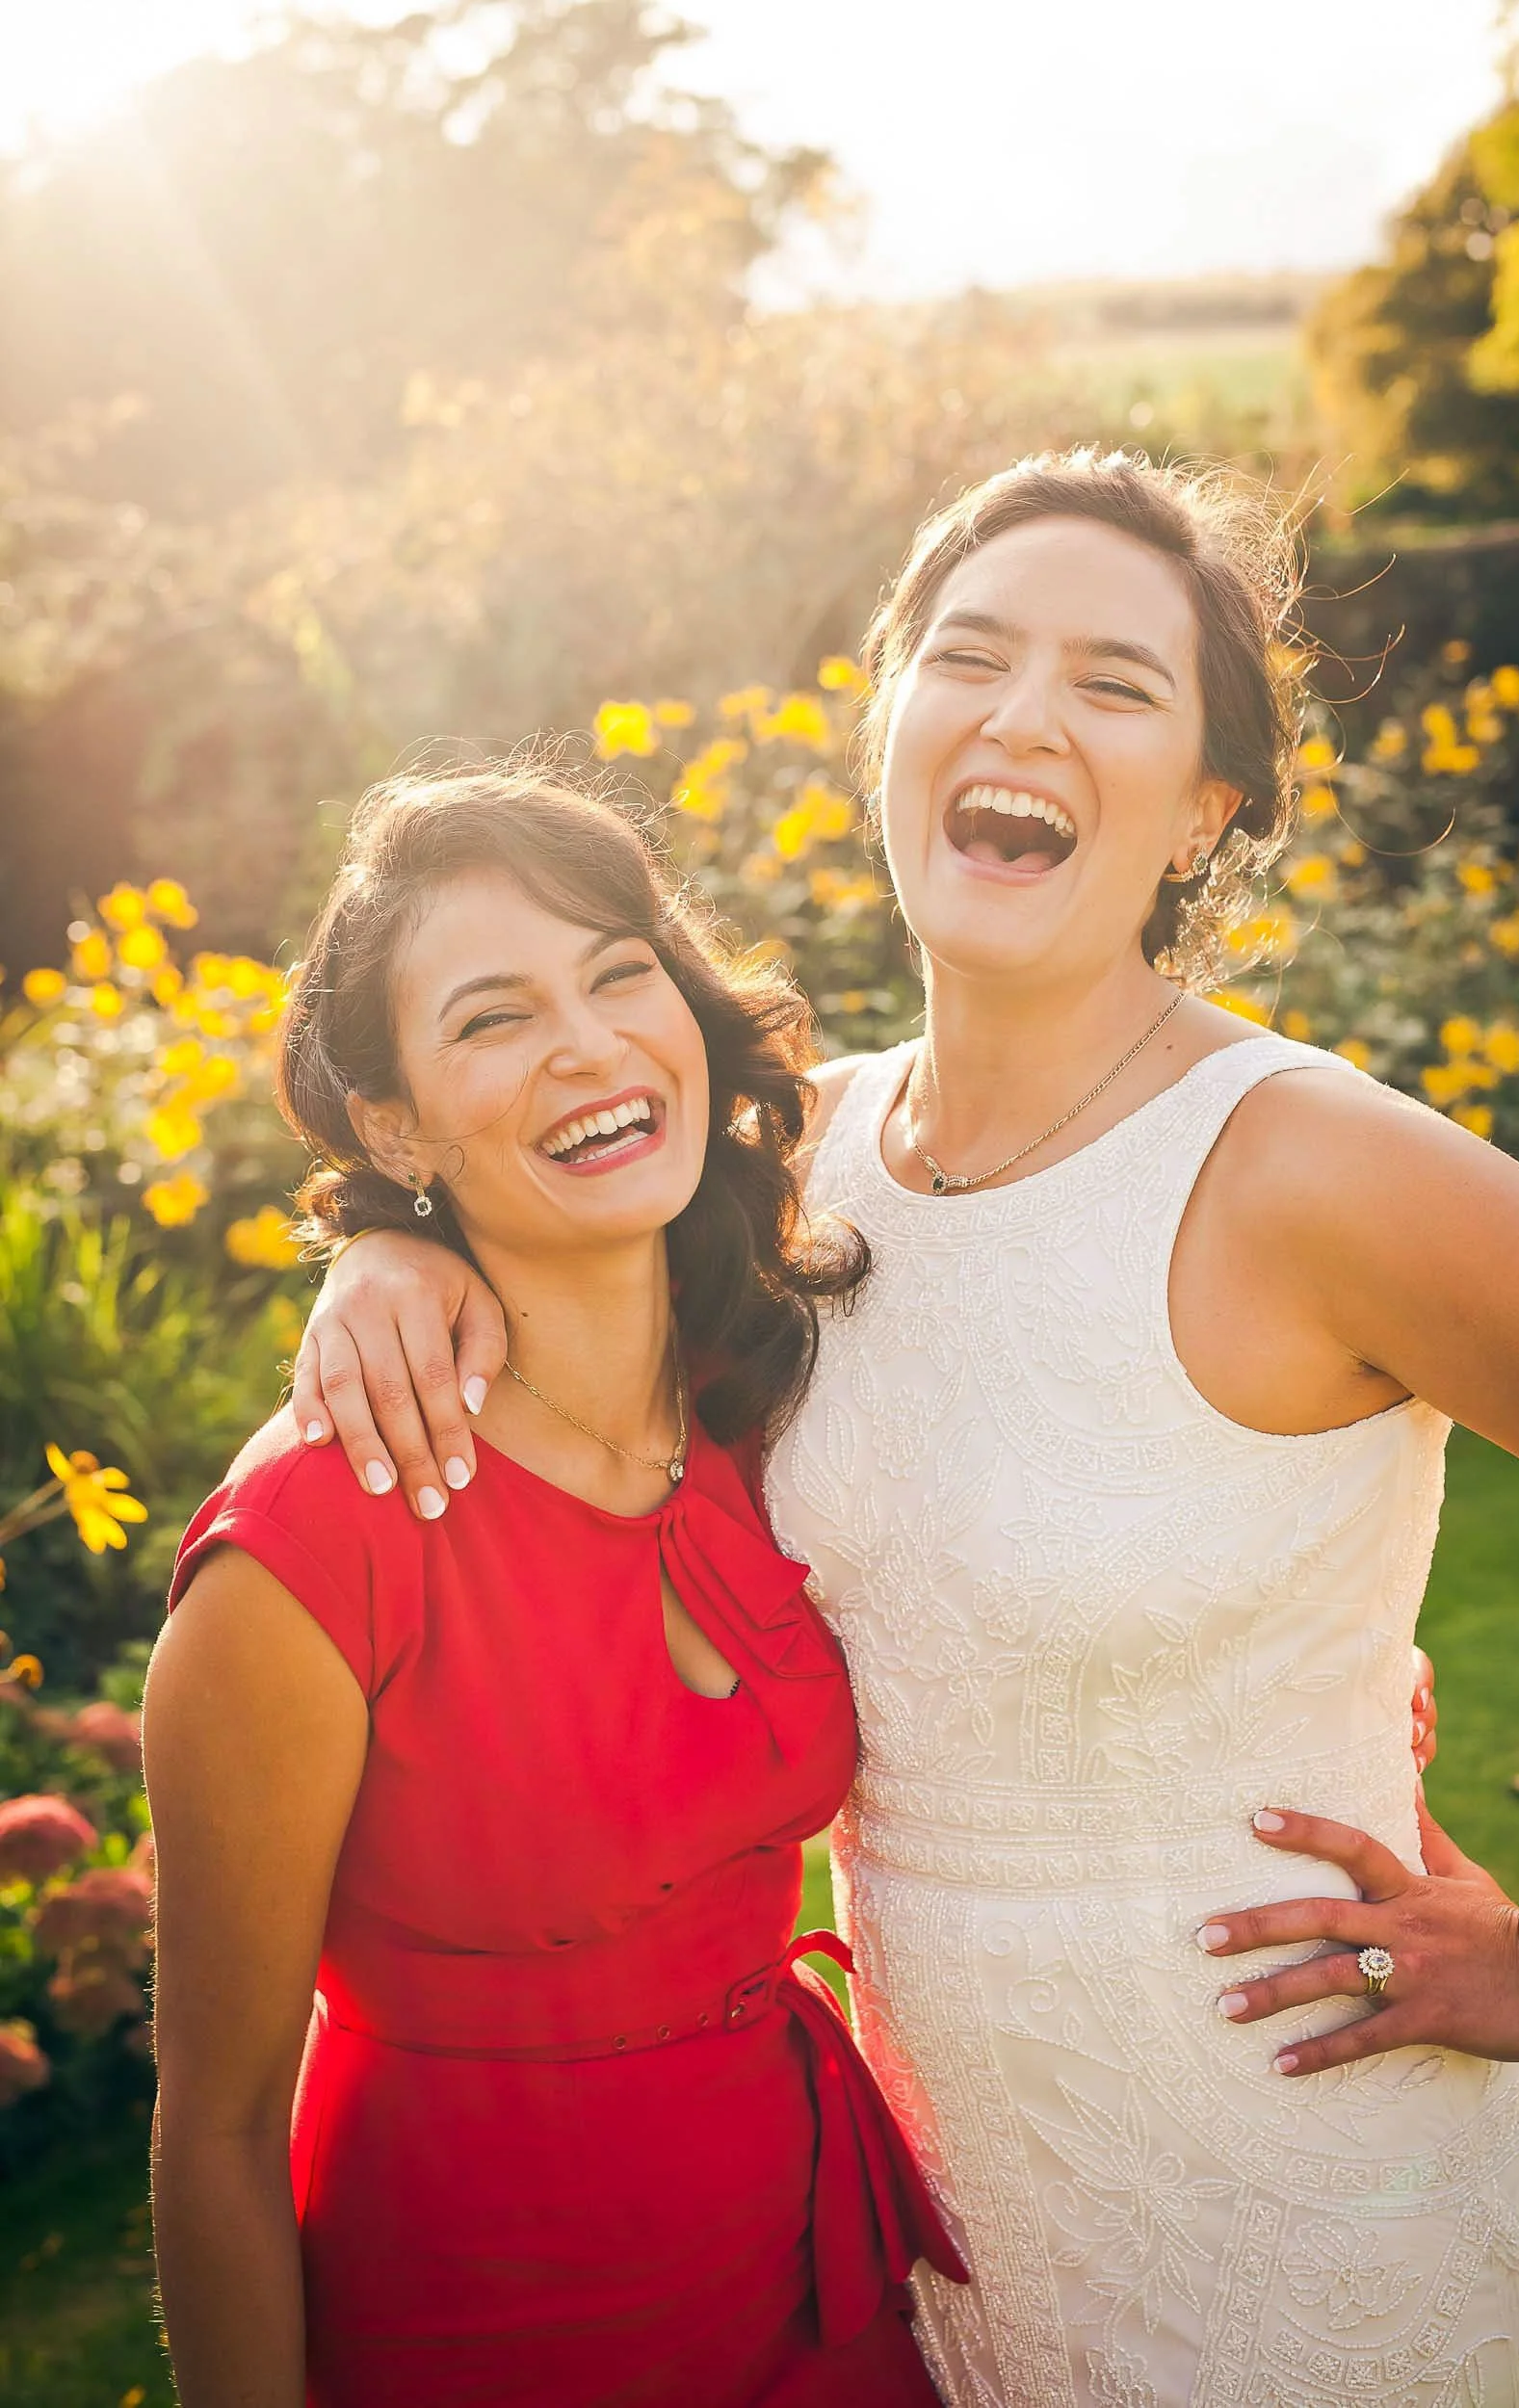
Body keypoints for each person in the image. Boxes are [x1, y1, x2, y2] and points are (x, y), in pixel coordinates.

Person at [289, 452, 1519, 2406]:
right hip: (934, 2233)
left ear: (1201, 813)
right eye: (968, 654)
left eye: (1112, 681)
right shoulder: (783, 1158)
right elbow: (549, 1302)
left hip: (1300, 2211)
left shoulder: (1309, 1165)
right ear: (884, 724)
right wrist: (390, 1258)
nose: (1019, 713)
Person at [142, 771, 963, 2408]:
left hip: (820, 2303)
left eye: (616, 972)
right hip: (486, 2337)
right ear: (392, 1125)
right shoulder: (314, 1551)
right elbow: (217, 2130)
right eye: (493, 1018)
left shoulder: (772, 1393)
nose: (589, 1046)